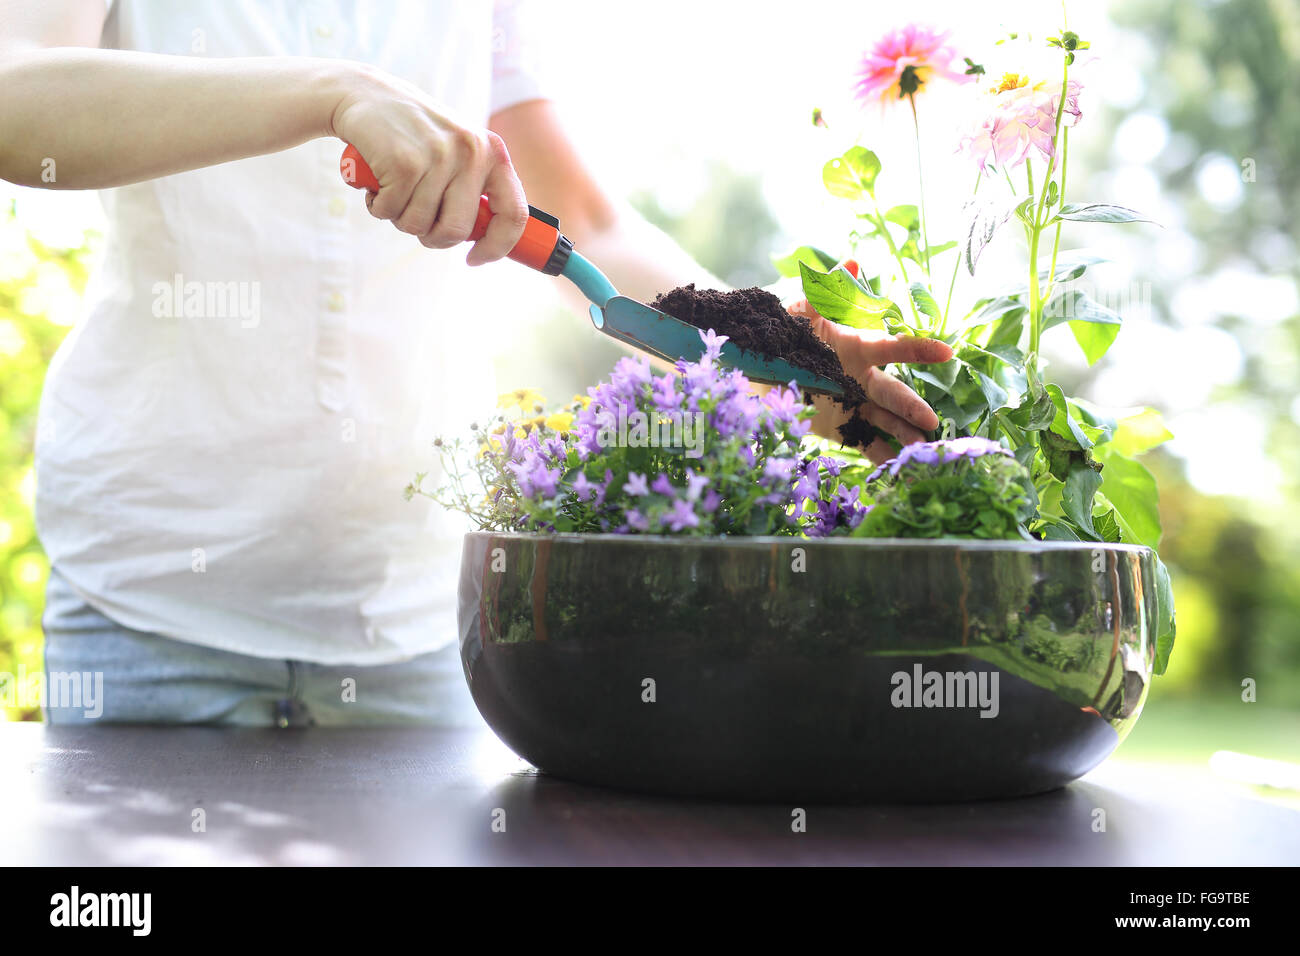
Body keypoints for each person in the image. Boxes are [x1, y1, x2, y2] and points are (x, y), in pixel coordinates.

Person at [0, 0, 952, 726]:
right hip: (151, 604)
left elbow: (588, 224)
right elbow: (13, 95)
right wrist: (332, 93)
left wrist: (767, 347)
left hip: (419, 620)